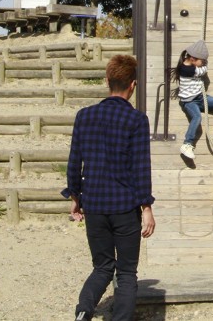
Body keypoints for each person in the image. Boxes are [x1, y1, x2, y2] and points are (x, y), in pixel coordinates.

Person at [63, 54, 155, 321]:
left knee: (102, 267)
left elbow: (74, 161)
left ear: (107, 81)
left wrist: (75, 196)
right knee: (126, 273)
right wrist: (146, 207)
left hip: (94, 204)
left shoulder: (84, 116)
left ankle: (83, 311)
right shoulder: (137, 120)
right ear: (133, 85)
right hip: (125, 207)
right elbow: (141, 167)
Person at [174, 40, 213, 160]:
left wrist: (203, 61)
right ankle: (187, 144)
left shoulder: (193, 65)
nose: (203, 64)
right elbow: (203, 70)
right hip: (189, 101)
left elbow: (202, 68)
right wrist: (205, 65)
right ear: (192, 59)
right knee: (197, 117)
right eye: (202, 61)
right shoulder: (187, 70)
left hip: (200, 97)